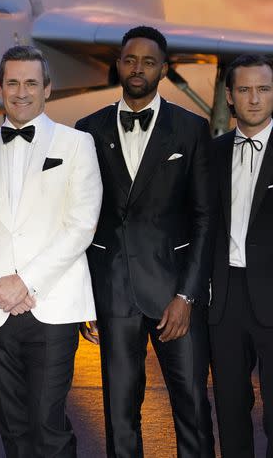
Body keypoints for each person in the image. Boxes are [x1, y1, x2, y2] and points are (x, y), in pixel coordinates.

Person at [75, 26, 215, 457]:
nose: (138, 68)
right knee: (119, 415)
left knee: (192, 409)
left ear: (164, 69)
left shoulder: (191, 128)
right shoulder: (88, 129)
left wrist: (187, 296)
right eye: (130, 60)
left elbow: (204, 217)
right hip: (113, 293)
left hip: (175, 294)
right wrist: (85, 299)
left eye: (148, 61)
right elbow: (81, 219)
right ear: (117, 65)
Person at [0, 46, 101, 457]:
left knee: (48, 423)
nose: (21, 92)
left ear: (47, 89)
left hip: (52, 305)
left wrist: (25, 282)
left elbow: (82, 225)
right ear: (0, 88)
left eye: (30, 83)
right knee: (10, 425)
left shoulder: (77, 144)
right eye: (12, 83)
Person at [209, 54, 273, 457]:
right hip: (225, 300)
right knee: (230, 409)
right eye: (245, 90)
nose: (254, 99)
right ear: (229, 97)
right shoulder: (210, 154)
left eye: (264, 89)